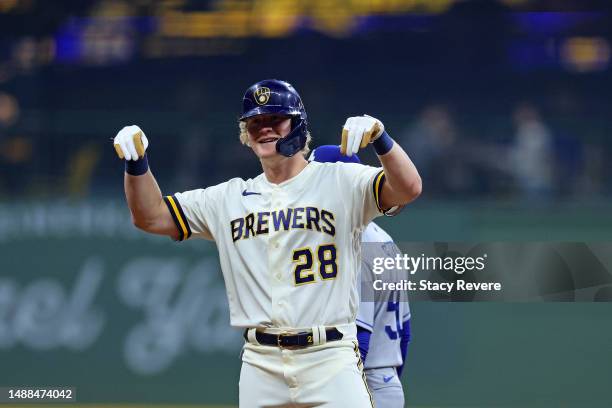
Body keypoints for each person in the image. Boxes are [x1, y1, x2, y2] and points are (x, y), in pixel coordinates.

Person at [112, 79, 421, 407]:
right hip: (261, 363)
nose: (265, 128)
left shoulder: (338, 180)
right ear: (245, 134)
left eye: (276, 119)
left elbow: (408, 188)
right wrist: (137, 164)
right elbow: (150, 216)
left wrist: (382, 141)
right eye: (256, 122)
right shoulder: (228, 198)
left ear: (298, 125)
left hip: (330, 357)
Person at [310, 145, 411, 408]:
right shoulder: (385, 240)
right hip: (385, 383)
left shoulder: (349, 244)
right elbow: (405, 334)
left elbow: (357, 340)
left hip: (358, 387)